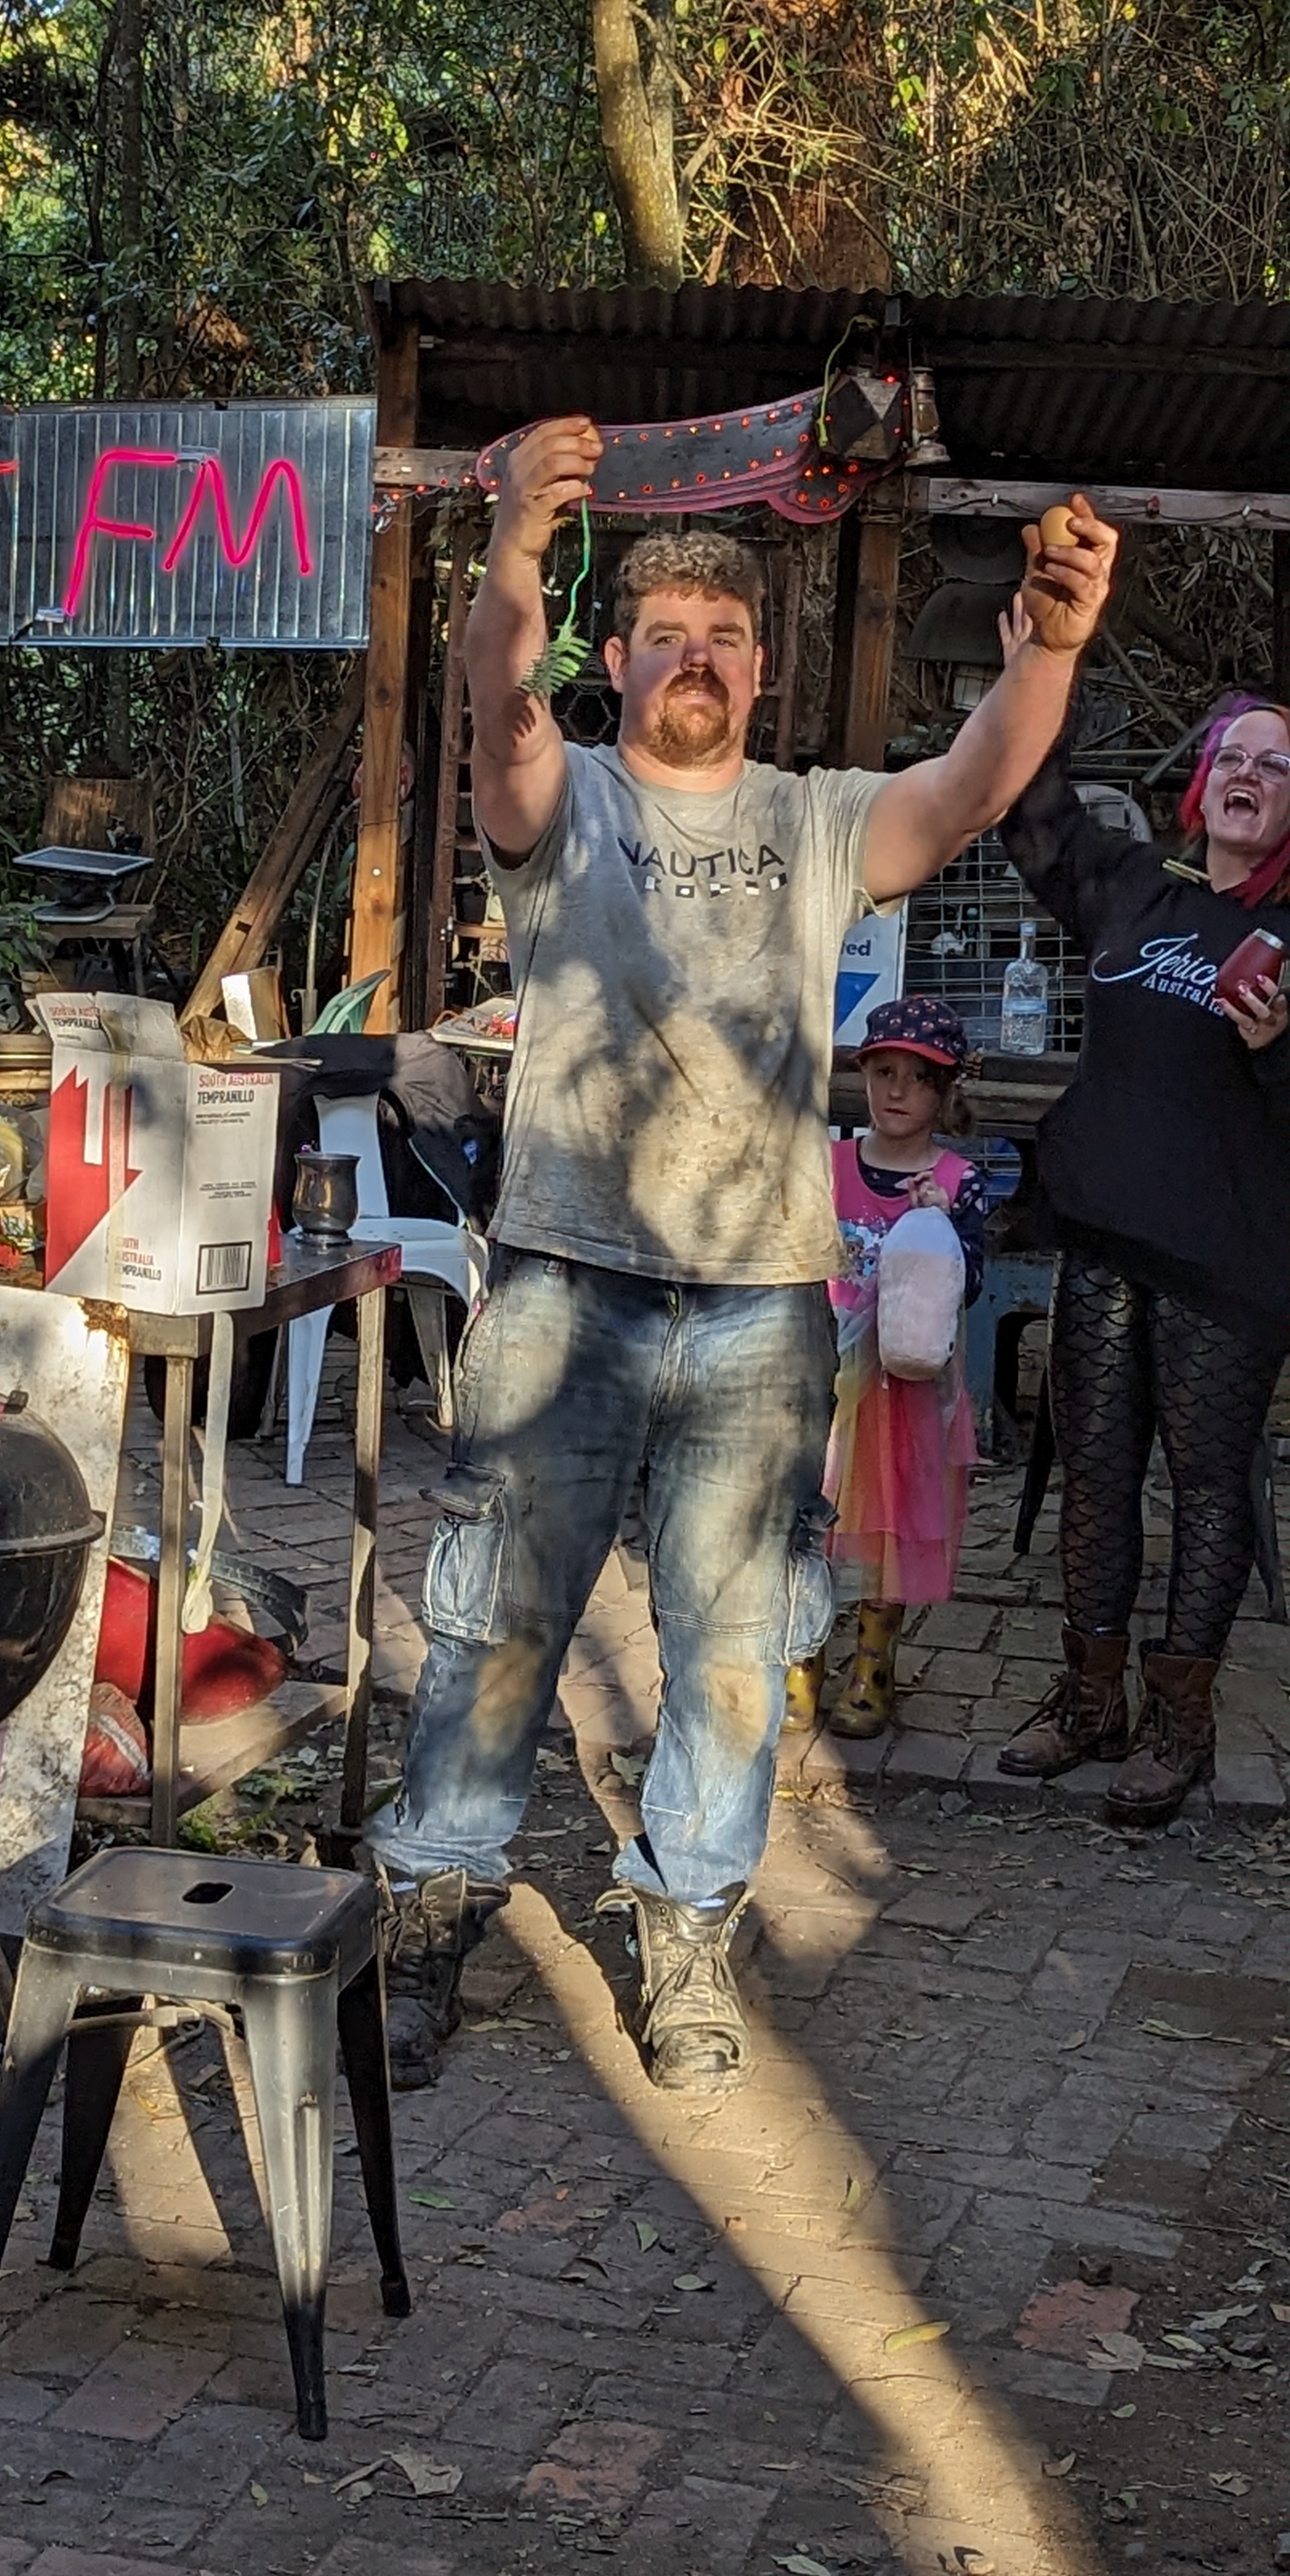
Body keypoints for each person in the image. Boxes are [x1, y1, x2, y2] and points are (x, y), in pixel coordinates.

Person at [366, 418, 1117, 2101]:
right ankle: (432, 1906)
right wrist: (514, 543)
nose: (695, 658)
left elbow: (972, 783)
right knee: (498, 1624)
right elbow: (492, 695)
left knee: (726, 1649)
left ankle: (687, 1923)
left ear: (760, 672)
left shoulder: (816, 819)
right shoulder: (564, 799)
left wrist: (1052, 649)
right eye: (664, 637)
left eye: (723, 637)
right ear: (617, 663)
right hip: (563, 1284)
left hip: (761, 1308)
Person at [995, 686, 1290, 1825]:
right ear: (1202, 782)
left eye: (1277, 764)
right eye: (1235, 756)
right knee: (1096, 1473)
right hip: (1104, 1232)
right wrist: (1047, 676)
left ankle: (1180, 1721)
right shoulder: (1135, 889)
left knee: (1207, 1486)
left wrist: (1277, 1050)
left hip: (1227, 1261)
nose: (1250, 774)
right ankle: (1089, 1699)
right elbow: (1034, 818)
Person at [789, 996, 987, 1742]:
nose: (897, 1091)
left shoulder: (957, 1179)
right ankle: (801, 1655)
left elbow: (968, 1285)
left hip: (904, 1392)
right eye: (883, 1073)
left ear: (946, 1090)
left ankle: (872, 1665)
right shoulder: (828, 1165)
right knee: (808, 1515)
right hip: (822, 1382)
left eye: (918, 1078)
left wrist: (940, 1224)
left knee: (894, 1527)